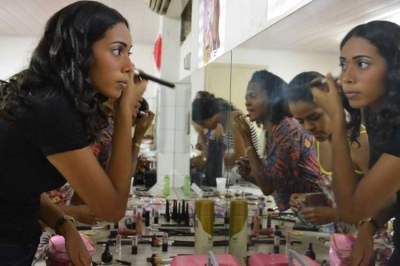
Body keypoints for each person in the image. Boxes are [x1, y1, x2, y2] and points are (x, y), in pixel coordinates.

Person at [0, 2, 147, 265]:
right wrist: (124, 112)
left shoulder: (50, 98)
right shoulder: (50, 108)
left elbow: (20, 186)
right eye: (117, 51)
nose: (129, 66)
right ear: (80, 53)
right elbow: (111, 208)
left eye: (128, 53)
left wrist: (64, 225)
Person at [310, 20, 400, 265]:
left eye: (361, 64)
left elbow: (351, 209)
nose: (347, 77)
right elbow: (393, 194)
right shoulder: (378, 116)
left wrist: (337, 120)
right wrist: (369, 228)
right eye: (343, 64)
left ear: (394, 68)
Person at [286, 71, 369, 234]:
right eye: (301, 121)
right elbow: (341, 194)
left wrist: (337, 215)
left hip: (373, 244)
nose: (308, 127)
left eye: (315, 117)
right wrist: (309, 199)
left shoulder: (360, 143)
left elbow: (387, 203)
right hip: (344, 242)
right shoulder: (319, 143)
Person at [232, 70, 320, 211]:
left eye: (253, 96)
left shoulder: (288, 131)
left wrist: (247, 138)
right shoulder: (273, 131)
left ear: (273, 97)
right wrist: (251, 173)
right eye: (247, 97)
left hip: (313, 218)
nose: (247, 102)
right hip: (297, 214)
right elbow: (275, 181)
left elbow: (267, 186)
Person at [191, 96, 259, 168]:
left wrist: (207, 162)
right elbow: (210, 153)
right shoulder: (219, 125)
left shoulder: (235, 118)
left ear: (215, 116)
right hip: (236, 169)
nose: (203, 127)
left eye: (203, 124)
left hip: (250, 168)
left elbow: (240, 156)